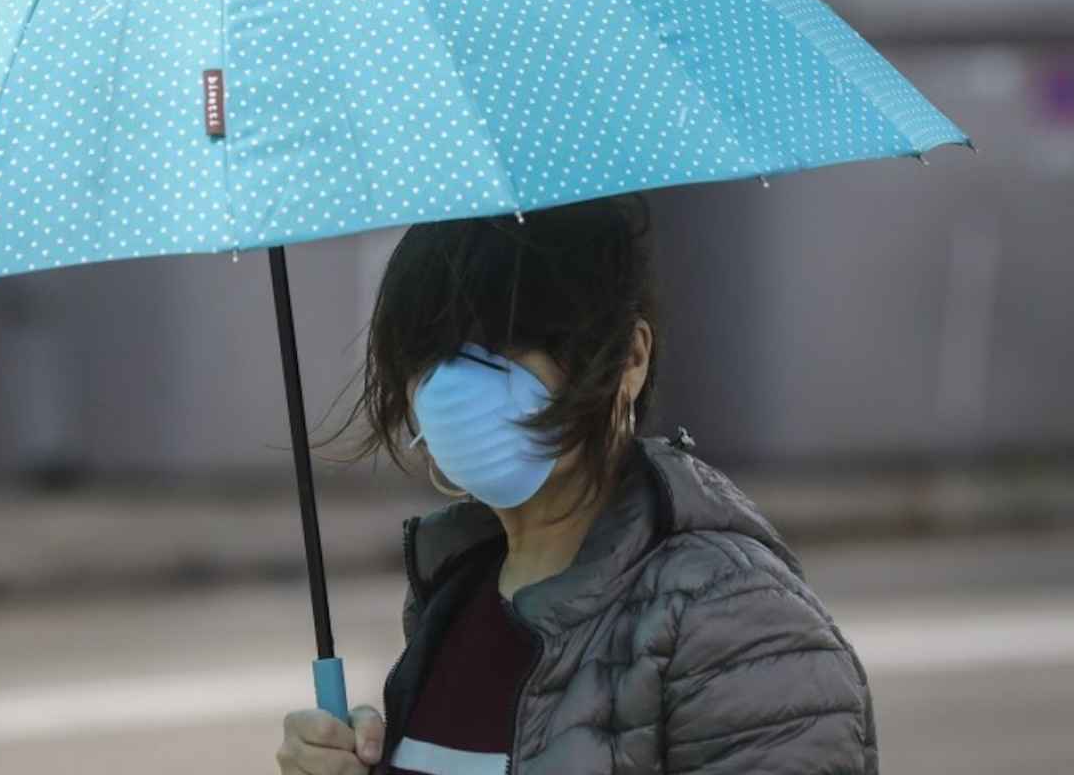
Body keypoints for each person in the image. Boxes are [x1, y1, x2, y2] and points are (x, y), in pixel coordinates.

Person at [275, 196, 877, 775]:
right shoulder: (453, 596)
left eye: (505, 343)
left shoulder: (736, 623)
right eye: (433, 351)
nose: (456, 386)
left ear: (629, 359)